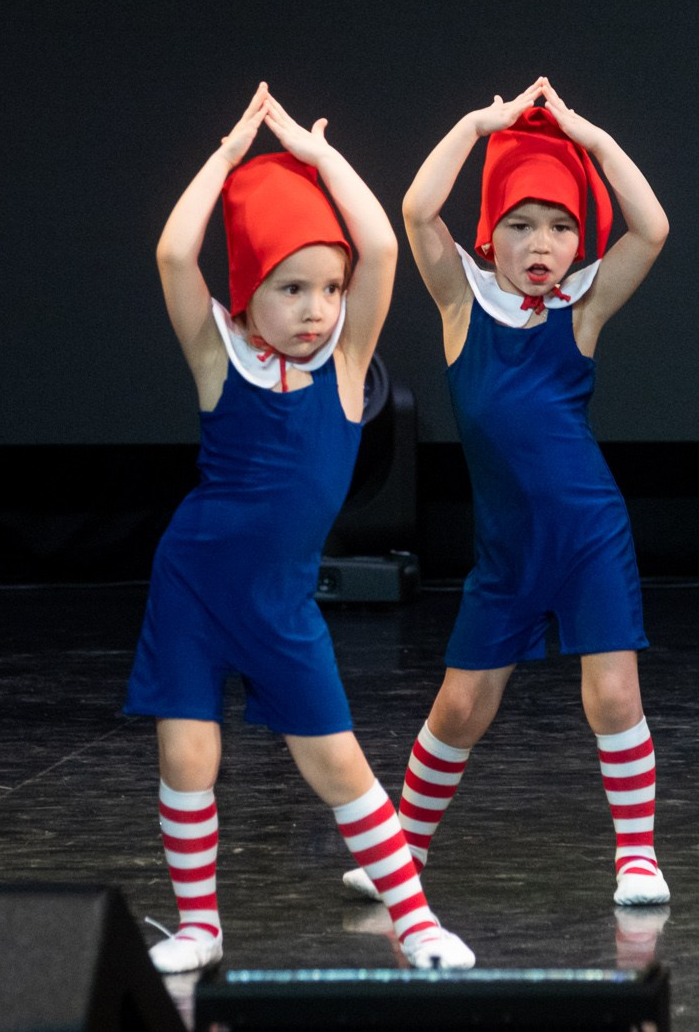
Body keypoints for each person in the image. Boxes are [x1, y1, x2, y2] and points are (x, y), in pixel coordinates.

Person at [126, 84, 475, 973]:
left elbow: (382, 245)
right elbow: (174, 250)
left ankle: (417, 920)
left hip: (280, 601)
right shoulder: (220, 358)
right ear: (247, 298)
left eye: (328, 287)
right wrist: (231, 150)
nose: (318, 306)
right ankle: (199, 926)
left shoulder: (348, 365)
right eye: (292, 288)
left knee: (336, 762)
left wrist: (318, 156)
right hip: (195, 585)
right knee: (188, 754)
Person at [345, 78, 670, 908]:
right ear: (491, 235)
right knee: (460, 703)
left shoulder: (583, 310)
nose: (542, 243)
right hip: (507, 548)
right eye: (522, 224)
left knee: (612, 693)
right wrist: (476, 124)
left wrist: (589, 135)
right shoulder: (464, 303)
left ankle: (637, 857)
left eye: (560, 227)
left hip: (588, 531)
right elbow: (418, 212)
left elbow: (653, 226)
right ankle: (404, 848)